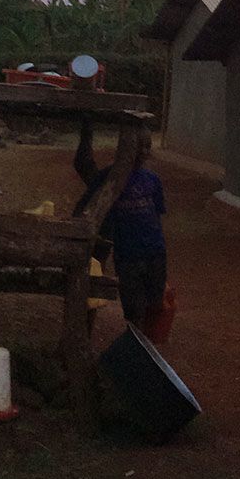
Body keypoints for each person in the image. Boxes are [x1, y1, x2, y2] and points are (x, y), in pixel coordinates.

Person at [72, 120, 167, 331]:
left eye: (147, 146)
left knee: (155, 304)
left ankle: (147, 350)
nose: (143, 152)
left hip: (155, 253)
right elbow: (87, 205)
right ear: (125, 148)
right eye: (138, 146)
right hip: (128, 257)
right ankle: (137, 347)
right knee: (134, 311)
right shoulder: (109, 179)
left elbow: (156, 217)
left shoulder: (152, 180)